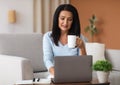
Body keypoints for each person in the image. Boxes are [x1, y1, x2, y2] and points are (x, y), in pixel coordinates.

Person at [43, 4, 88, 77]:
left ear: (73, 21)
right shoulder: (48, 37)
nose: (65, 22)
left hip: (75, 74)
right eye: (62, 18)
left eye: (69, 19)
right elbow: (48, 60)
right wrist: (56, 73)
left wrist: (82, 48)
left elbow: (83, 65)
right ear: (57, 18)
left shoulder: (79, 37)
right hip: (56, 73)